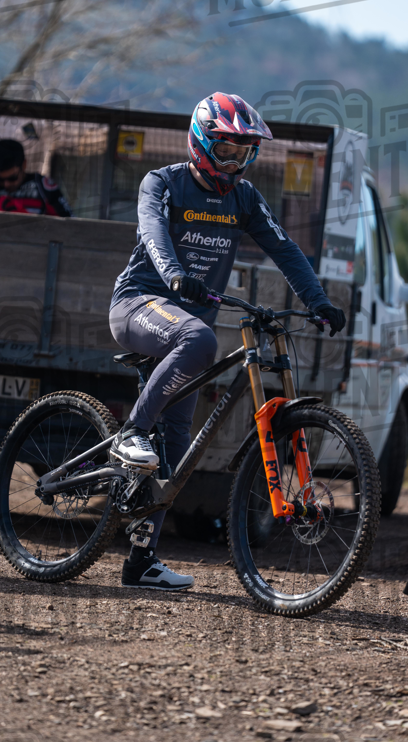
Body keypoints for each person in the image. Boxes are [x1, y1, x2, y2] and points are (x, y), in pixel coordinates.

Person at [109, 92, 346, 591]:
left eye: (244, 153)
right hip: (139, 306)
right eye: (226, 151)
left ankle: (141, 560)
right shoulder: (164, 182)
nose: (235, 162)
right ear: (199, 143)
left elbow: (285, 249)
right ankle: (132, 431)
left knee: (178, 447)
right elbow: (151, 231)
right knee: (199, 339)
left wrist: (318, 300)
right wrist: (173, 274)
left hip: (186, 325)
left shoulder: (244, 198)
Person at [0, 138, 72, 216]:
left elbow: (68, 220)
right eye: (0, 179)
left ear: (24, 165)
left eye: (12, 178)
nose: (6, 184)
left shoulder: (43, 186)